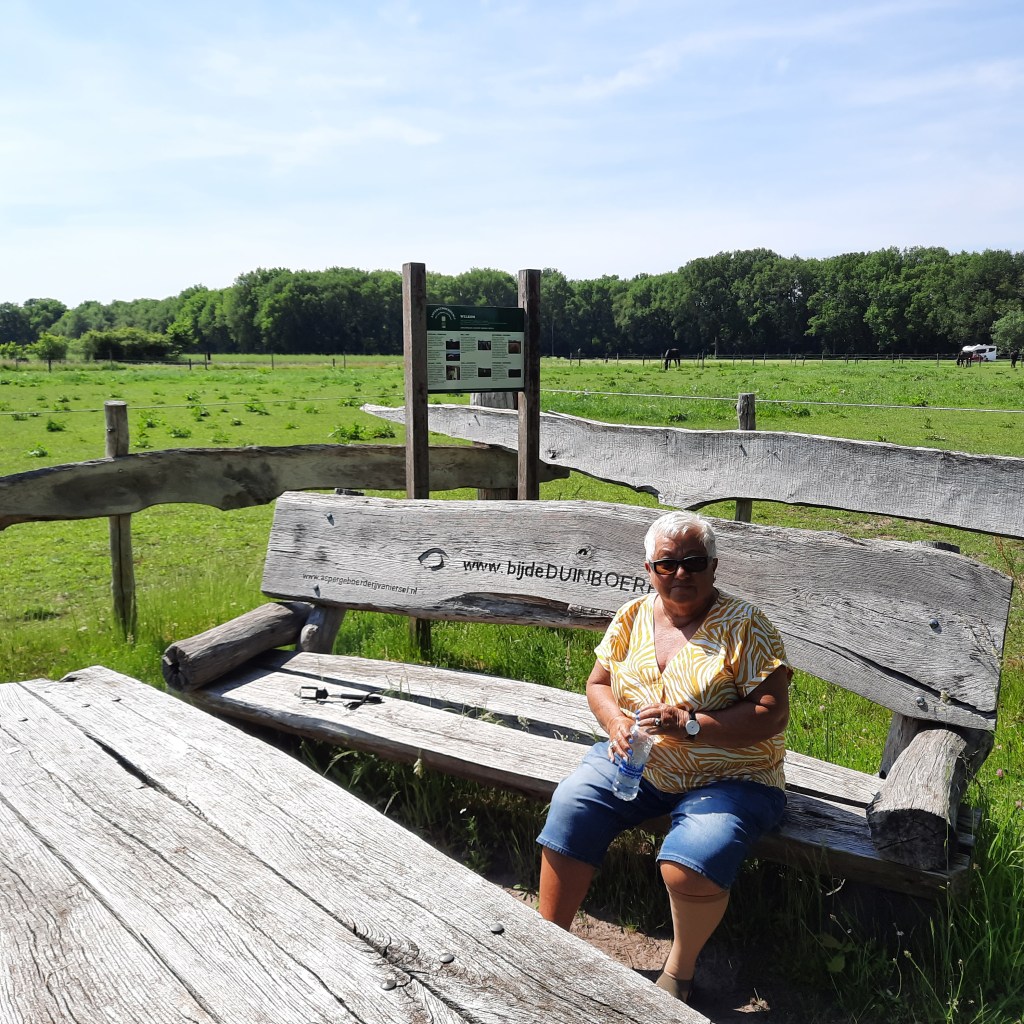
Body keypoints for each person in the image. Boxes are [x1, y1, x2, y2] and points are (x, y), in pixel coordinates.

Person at [536, 510, 791, 1005]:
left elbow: (771, 713)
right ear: (649, 569)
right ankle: (547, 940)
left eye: (693, 562)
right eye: (667, 564)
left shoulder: (746, 625)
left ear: (713, 566)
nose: (680, 573)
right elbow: (598, 683)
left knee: (691, 862)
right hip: (639, 761)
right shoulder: (632, 615)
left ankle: (679, 970)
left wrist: (691, 724)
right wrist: (615, 723)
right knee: (572, 805)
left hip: (733, 775)